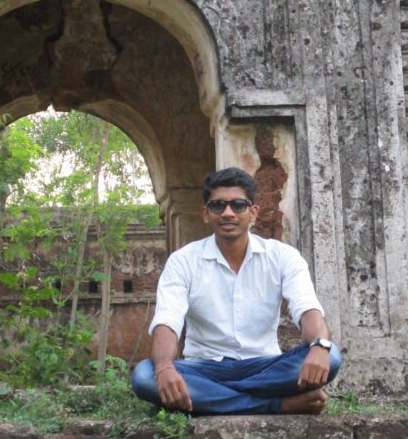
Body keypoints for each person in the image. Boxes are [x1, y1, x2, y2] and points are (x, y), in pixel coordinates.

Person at [131, 167, 341, 415]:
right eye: (218, 205)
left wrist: (318, 346)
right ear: (205, 214)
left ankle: (213, 397)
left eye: (238, 205)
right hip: (204, 367)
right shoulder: (184, 261)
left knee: (332, 355)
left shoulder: (282, 257)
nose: (227, 213)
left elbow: (308, 309)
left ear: (253, 212)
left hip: (264, 367)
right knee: (145, 376)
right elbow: (167, 322)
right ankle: (276, 404)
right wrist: (165, 367)